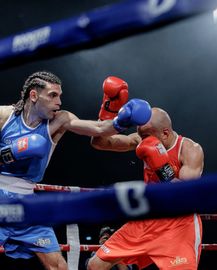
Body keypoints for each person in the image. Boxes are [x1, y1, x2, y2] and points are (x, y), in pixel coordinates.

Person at [0, 71, 152, 270]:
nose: (59, 102)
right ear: (34, 96)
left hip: (29, 203)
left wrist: (119, 121)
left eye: (60, 95)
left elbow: (98, 129)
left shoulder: (60, 120)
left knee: (58, 266)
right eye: (53, 95)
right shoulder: (4, 116)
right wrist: (8, 153)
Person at [87, 99, 204, 269]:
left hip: (178, 225)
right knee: (95, 266)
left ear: (165, 133)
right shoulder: (141, 139)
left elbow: (186, 194)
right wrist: (108, 112)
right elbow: (100, 142)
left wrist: (163, 168)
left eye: (146, 137)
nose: (143, 142)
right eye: (141, 136)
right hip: (147, 219)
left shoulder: (190, 150)